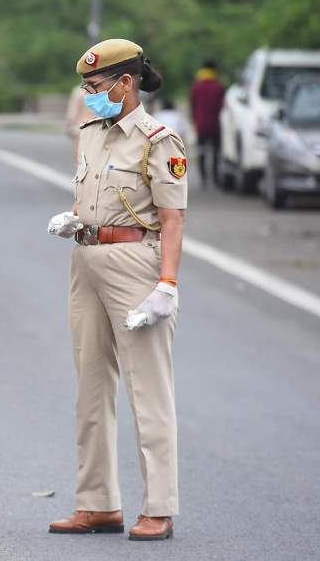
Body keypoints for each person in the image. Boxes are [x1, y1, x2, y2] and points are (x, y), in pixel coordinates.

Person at [46, 39, 187, 541]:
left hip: (135, 263)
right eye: (85, 86)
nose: (88, 95)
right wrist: (74, 218)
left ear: (126, 83)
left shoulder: (158, 140)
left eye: (95, 85)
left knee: (148, 390)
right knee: (90, 386)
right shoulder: (90, 133)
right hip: (86, 259)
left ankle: (159, 507)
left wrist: (166, 285)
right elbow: (92, 196)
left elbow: (172, 219)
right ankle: (97, 503)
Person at [189, 60, 225, 187]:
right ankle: (214, 177)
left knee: (202, 151)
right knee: (216, 152)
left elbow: (192, 105)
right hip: (215, 125)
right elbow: (222, 105)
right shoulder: (219, 86)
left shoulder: (196, 86)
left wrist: (194, 120)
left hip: (201, 125)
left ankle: (203, 178)